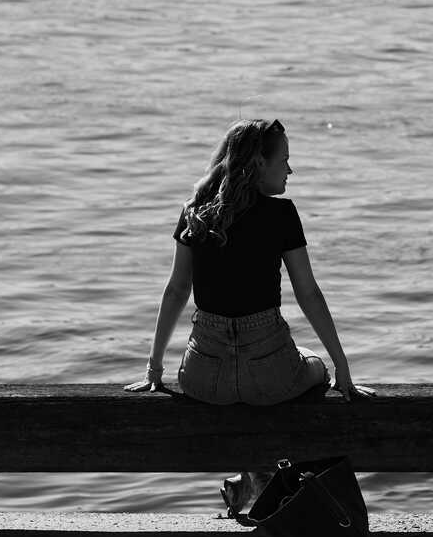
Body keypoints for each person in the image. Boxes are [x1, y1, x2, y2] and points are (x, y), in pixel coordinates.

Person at [128, 118, 373, 512]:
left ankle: (252, 476)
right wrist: (342, 368)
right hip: (270, 374)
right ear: (260, 162)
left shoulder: (195, 212)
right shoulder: (282, 214)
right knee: (315, 368)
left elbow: (176, 290)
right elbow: (308, 293)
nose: (290, 170)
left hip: (205, 378)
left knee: (241, 390)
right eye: (284, 161)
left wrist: (154, 370)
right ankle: (265, 477)